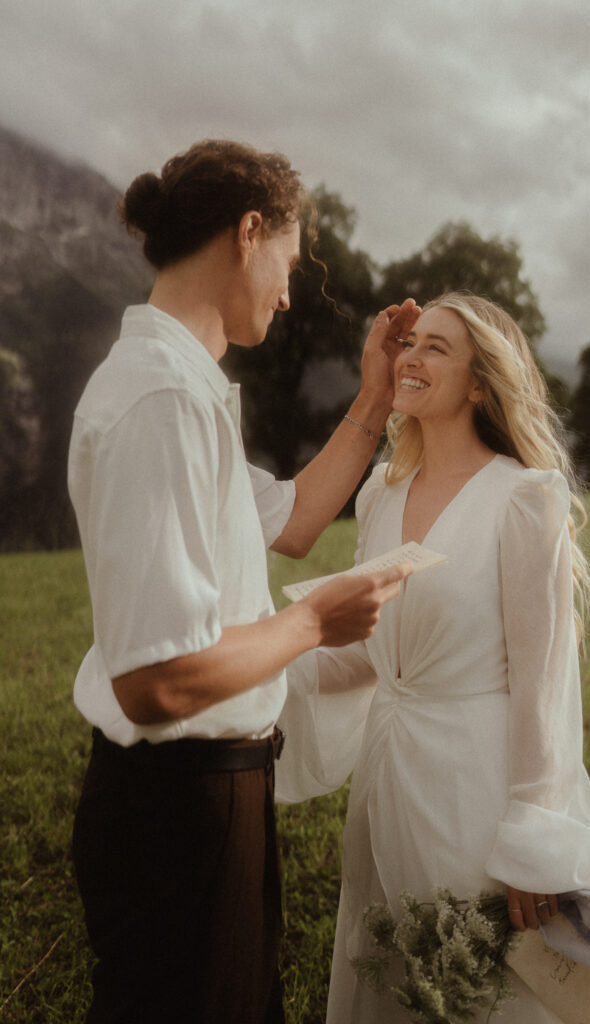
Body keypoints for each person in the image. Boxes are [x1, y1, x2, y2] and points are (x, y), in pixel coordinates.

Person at [67, 138, 418, 1024]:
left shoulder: (186, 389)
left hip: (214, 794)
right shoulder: (160, 401)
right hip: (177, 811)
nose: (290, 290)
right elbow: (159, 680)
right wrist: (313, 625)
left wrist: (374, 400)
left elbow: (295, 522)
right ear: (248, 230)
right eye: (289, 264)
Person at [275, 292, 590, 1023]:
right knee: (397, 974)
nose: (412, 356)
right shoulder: (378, 494)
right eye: (411, 341)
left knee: (492, 991)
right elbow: (374, 654)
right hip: (388, 783)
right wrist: (262, 659)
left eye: (437, 347)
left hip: (478, 786)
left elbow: (542, 681)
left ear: (478, 384)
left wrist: (535, 840)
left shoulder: (523, 497)